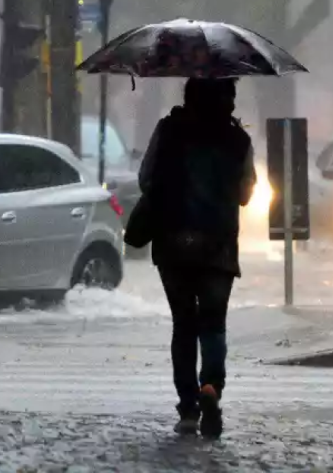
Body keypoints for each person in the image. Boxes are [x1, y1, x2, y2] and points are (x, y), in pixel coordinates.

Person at [139, 77, 256, 438]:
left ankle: (188, 406)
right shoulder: (239, 140)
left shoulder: (168, 130)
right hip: (218, 244)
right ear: (228, 99)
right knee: (213, 323)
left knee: (183, 324)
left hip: (173, 242)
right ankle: (212, 387)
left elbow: (146, 179)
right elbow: (245, 194)